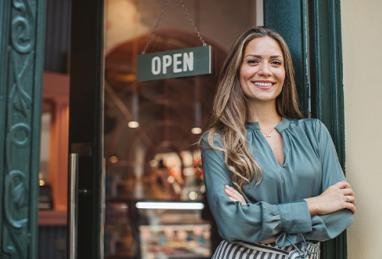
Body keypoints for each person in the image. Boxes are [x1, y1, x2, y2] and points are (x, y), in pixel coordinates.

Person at [200, 27, 355, 258]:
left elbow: (340, 212)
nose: (265, 71)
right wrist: (316, 204)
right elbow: (232, 224)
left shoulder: (314, 132)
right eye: (253, 61)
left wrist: (256, 219)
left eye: (275, 62)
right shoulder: (218, 141)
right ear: (237, 70)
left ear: (285, 72)